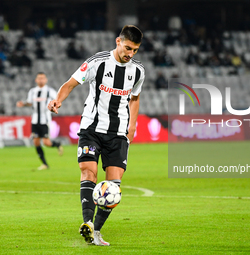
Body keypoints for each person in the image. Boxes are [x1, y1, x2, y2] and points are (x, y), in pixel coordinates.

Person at [48, 25, 145, 246]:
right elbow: (70, 83)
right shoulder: (97, 62)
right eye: (128, 48)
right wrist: (58, 100)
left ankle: (96, 230)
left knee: (114, 186)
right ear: (118, 41)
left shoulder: (138, 71)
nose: (130, 54)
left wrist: (132, 126)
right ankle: (87, 222)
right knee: (88, 173)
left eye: (135, 50)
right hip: (91, 129)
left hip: (118, 134)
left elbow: (135, 99)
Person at [16, 72, 63, 170]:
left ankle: (57, 144)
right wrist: (23, 104)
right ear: (36, 80)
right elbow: (29, 103)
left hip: (45, 120)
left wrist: (55, 106)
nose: (41, 80)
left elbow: (57, 100)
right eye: (39, 78)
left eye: (43, 78)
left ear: (46, 80)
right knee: (36, 142)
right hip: (34, 120)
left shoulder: (50, 91)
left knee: (46, 143)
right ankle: (45, 164)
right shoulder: (32, 91)